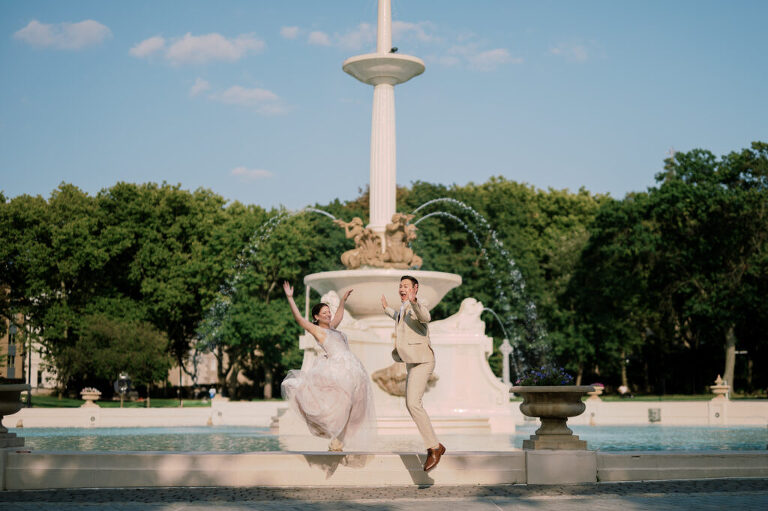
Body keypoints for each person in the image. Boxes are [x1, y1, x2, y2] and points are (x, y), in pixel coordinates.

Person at [281, 282, 376, 452]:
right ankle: (335, 437)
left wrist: (342, 301)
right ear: (316, 317)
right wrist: (290, 298)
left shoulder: (333, 329)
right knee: (340, 403)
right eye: (324, 313)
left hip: (353, 368)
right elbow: (300, 320)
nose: (328, 315)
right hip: (338, 368)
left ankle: (338, 441)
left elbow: (338, 316)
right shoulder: (318, 331)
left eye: (328, 312)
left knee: (356, 405)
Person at [381, 275, 446, 471]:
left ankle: (434, 448)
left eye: (406, 286)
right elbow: (401, 319)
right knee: (411, 405)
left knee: (413, 404)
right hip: (411, 359)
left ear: (415, 288)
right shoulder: (403, 308)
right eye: (400, 286)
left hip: (423, 360)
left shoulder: (419, 303)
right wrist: (387, 310)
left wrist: (415, 302)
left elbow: (425, 316)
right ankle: (435, 446)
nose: (402, 289)